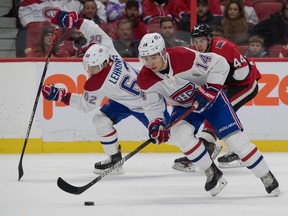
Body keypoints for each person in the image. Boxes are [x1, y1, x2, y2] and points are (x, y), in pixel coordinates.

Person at [137, 32, 280, 196]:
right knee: (178, 134)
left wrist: (210, 90)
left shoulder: (184, 56)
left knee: (235, 141)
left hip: (213, 101)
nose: (149, 63)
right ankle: (212, 171)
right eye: (145, 58)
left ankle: (265, 175)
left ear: (163, 52)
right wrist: (156, 123)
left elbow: (219, 64)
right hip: (184, 106)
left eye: (153, 57)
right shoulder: (144, 78)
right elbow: (151, 105)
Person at [44, 10, 169, 174]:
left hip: (146, 105)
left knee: (171, 136)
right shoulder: (107, 49)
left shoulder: (97, 83)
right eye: (89, 67)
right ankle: (114, 159)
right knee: (100, 120)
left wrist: (60, 96)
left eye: (94, 67)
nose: (91, 70)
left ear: (103, 64)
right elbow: (92, 28)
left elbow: (85, 106)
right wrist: (73, 21)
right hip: (126, 99)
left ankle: (202, 146)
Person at [174, 23, 262, 170]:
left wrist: (218, 84)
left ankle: (222, 148)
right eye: (196, 41)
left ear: (209, 39)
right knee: (216, 110)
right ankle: (209, 145)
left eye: (202, 40)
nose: (198, 44)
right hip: (227, 86)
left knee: (220, 111)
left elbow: (243, 72)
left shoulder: (224, 47)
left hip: (246, 84)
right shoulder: (196, 54)